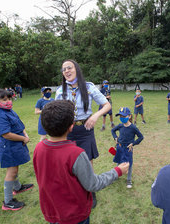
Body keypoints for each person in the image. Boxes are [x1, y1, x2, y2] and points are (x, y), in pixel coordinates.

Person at [33, 100, 129, 224]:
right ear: (71, 126)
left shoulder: (38, 148)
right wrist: (117, 171)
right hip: (75, 215)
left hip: (52, 212)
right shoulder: (76, 154)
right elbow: (93, 184)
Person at [55, 59, 111, 207]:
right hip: (68, 131)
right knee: (68, 163)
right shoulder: (60, 90)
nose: (66, 71)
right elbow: (56, 111)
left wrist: (95, 116)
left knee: (87, 162)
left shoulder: (89, 87)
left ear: (76, 69)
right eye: (64, 69)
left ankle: (91, 191)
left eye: (69, 68)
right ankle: (73, 190)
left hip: (86, 130)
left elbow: (107, 105)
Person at [0, 89, 34, 211]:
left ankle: (17, 188)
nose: (8, 101)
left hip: (15, 144)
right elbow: (6, 134)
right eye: (4, 99)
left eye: (9, 98)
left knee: (15, 168)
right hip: (9, 146)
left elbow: (19, 123)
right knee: (11, 171)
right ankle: (8, 202)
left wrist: (25, 134)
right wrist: (23, 138)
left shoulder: (7, 110)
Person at [111, 107, 144, 188]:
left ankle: (128, 180)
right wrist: (115, 137)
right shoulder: (120, 125)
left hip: (128, 149)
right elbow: (113, 130)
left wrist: (133, 143)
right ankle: (117, 175)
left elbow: (141, 137)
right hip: (119, 147)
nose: (122, 118)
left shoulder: (133, 127)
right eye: (120, 117)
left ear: (129, 116)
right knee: (118, 161)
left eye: (124, 116)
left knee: (128, 164)